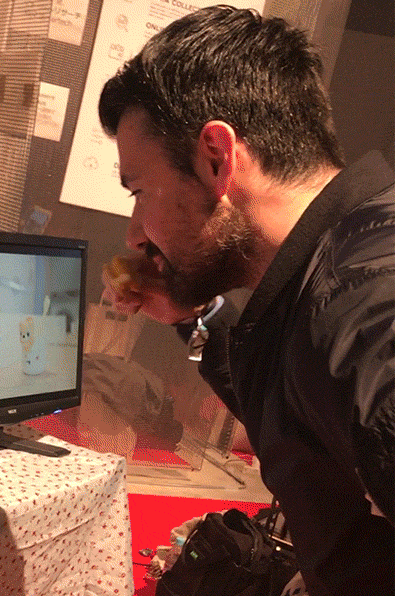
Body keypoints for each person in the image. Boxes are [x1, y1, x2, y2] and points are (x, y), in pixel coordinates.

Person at [98, 5, 395, 596]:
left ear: (216, 157)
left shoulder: (366, 312)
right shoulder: (326, 275)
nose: (134, 234)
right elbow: (295, 407)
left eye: (139, 190)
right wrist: (193, 315)